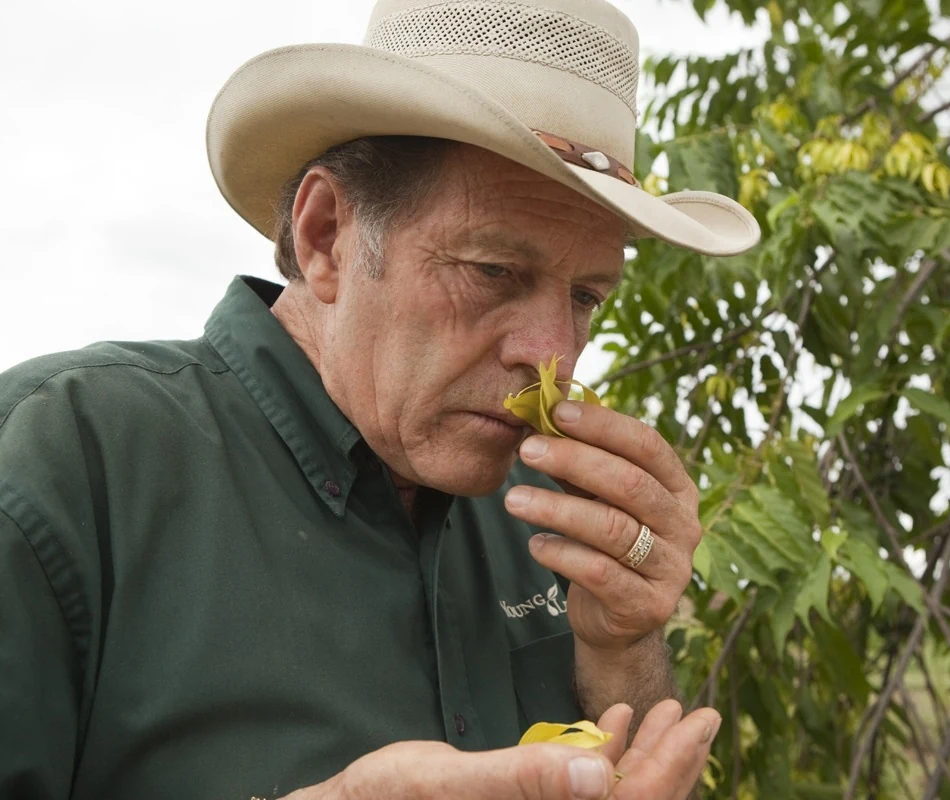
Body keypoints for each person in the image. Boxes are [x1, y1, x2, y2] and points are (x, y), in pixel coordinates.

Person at [0, 0, 760, 798]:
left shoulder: (551, 508)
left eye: (586, 296)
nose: (553, 357)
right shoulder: (59, 463)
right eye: (493, 271)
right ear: (325, 236)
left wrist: (624, 646)